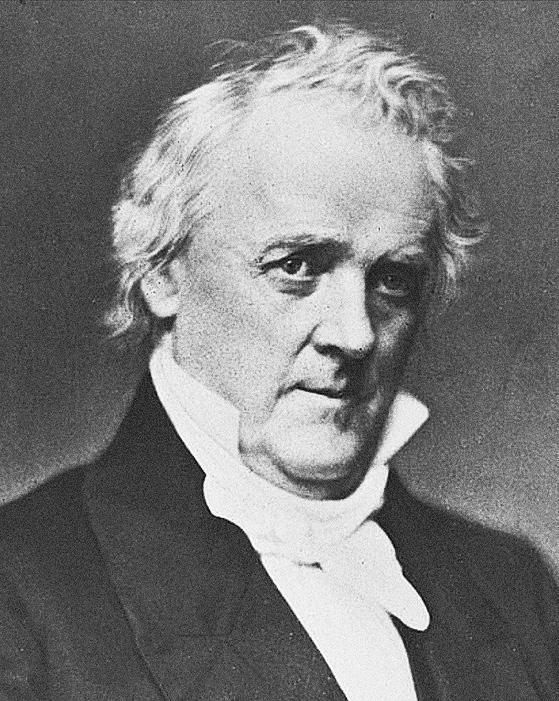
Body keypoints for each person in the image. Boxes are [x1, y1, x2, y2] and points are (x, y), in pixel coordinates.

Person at [0, 22, 557, 701]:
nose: (355, 335)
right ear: (163, 271)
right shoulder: (21, 598)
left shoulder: (513, 590)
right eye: (296, 266)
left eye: (393, 280)